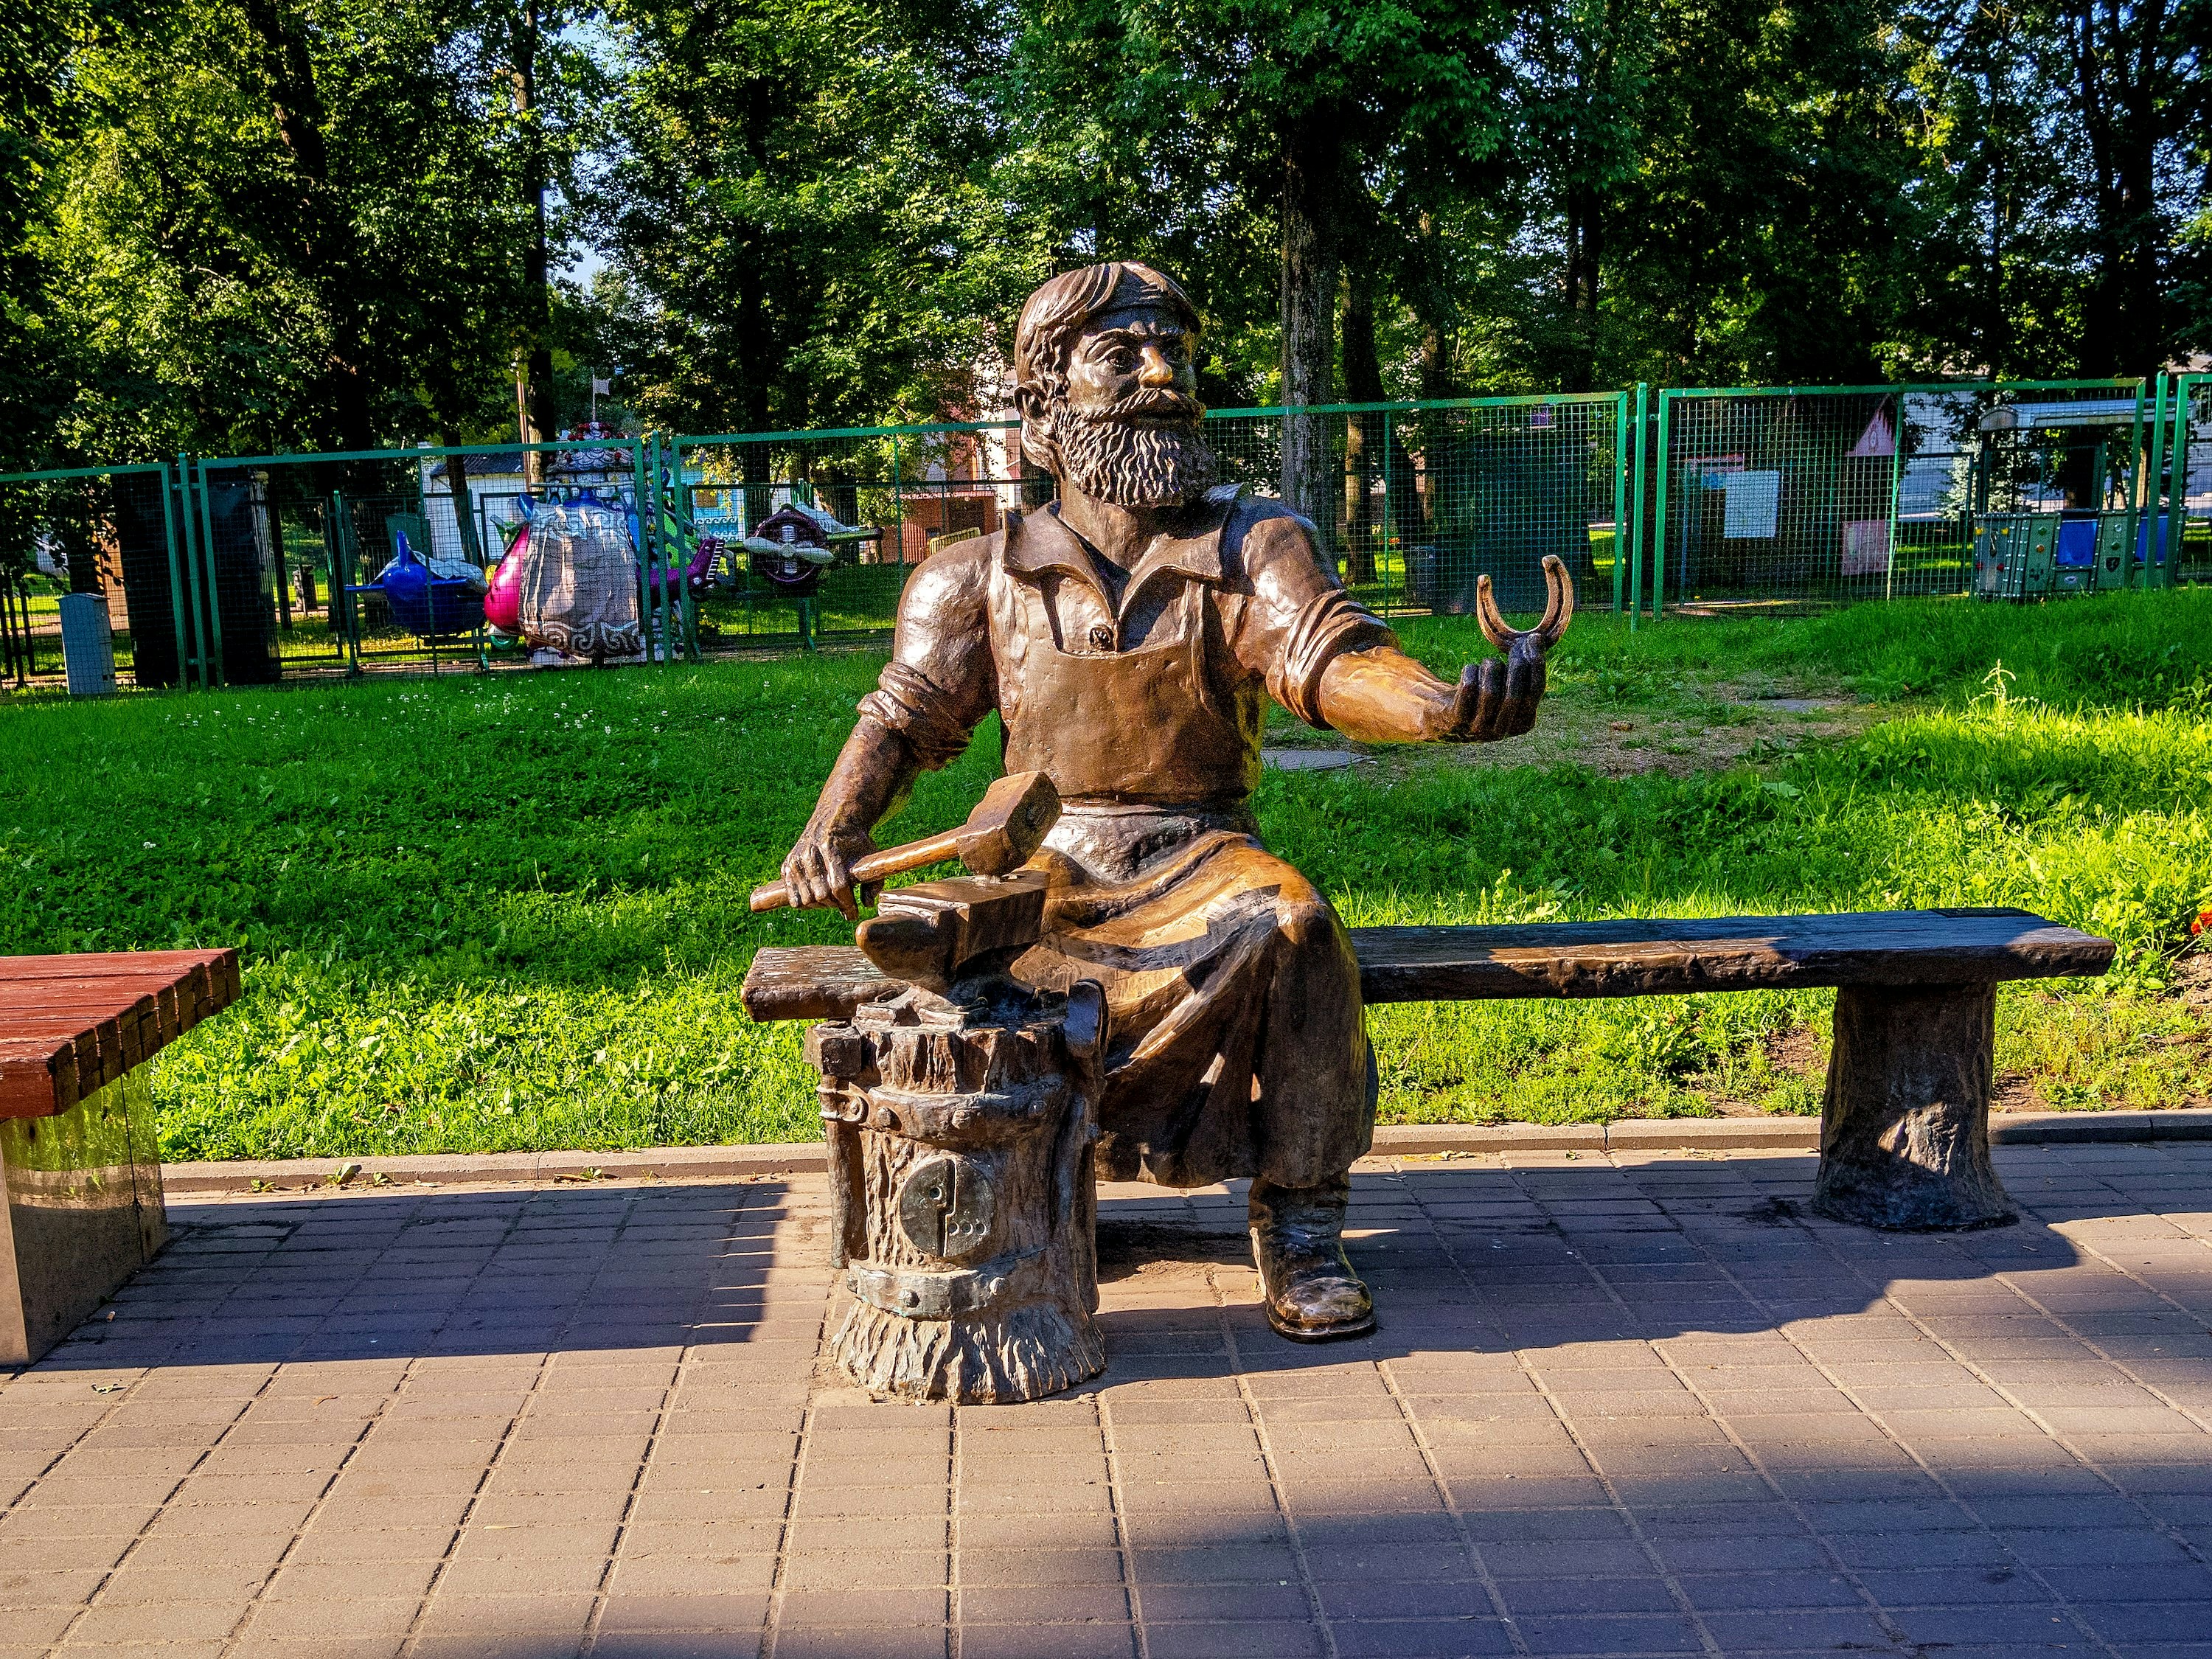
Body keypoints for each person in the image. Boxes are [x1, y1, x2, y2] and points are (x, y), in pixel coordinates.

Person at [779, 262, 1559, 1340]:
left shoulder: (1252, 545)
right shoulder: (973, 577)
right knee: (967, 965)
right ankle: (1032, 1185)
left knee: (1295, 928)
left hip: (1204, 856)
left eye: (1176, 354)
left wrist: (1437, 708)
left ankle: (1302, 1219)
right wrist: (833, 827)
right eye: (1123, 355)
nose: (1164, 376)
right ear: (1043, 407)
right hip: (1045, 864)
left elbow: (1329, 657)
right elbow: (906, 718)